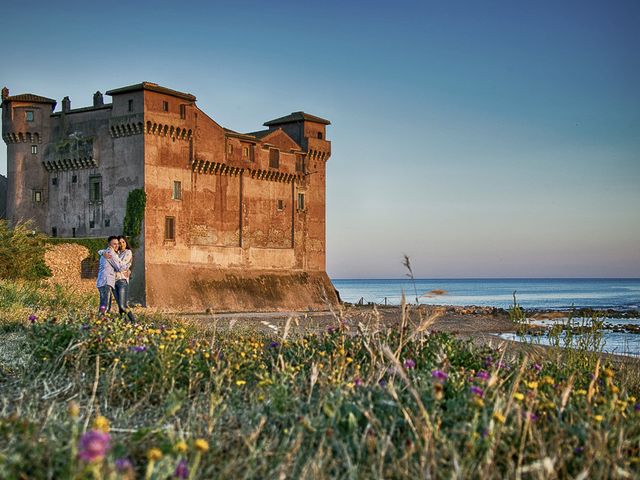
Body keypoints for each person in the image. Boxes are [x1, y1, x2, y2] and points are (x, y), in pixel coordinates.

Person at [96, 236, 129, 315]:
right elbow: (118, 267)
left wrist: (101, 251)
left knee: (105, 305)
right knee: (105, 306)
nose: (117, 245)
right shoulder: (110, 253)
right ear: (109, 245)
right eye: (114, 244)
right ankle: (99, 323)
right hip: (106, 281)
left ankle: (101, 322)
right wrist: (127, 268)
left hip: (105, 282)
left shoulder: (109, 252)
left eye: (117, 244)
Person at [113, 235, 136, 322]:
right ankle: (123, 323)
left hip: (122, 281)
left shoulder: (128, 252)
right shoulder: (116, 253)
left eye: (123, 242)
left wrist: (115, 264)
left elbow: (120, 265)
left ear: (126, 242)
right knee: (119, 305)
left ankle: (133, 321)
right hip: (114, 281)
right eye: (119, 243)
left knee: (123, 305)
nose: (122, 244)